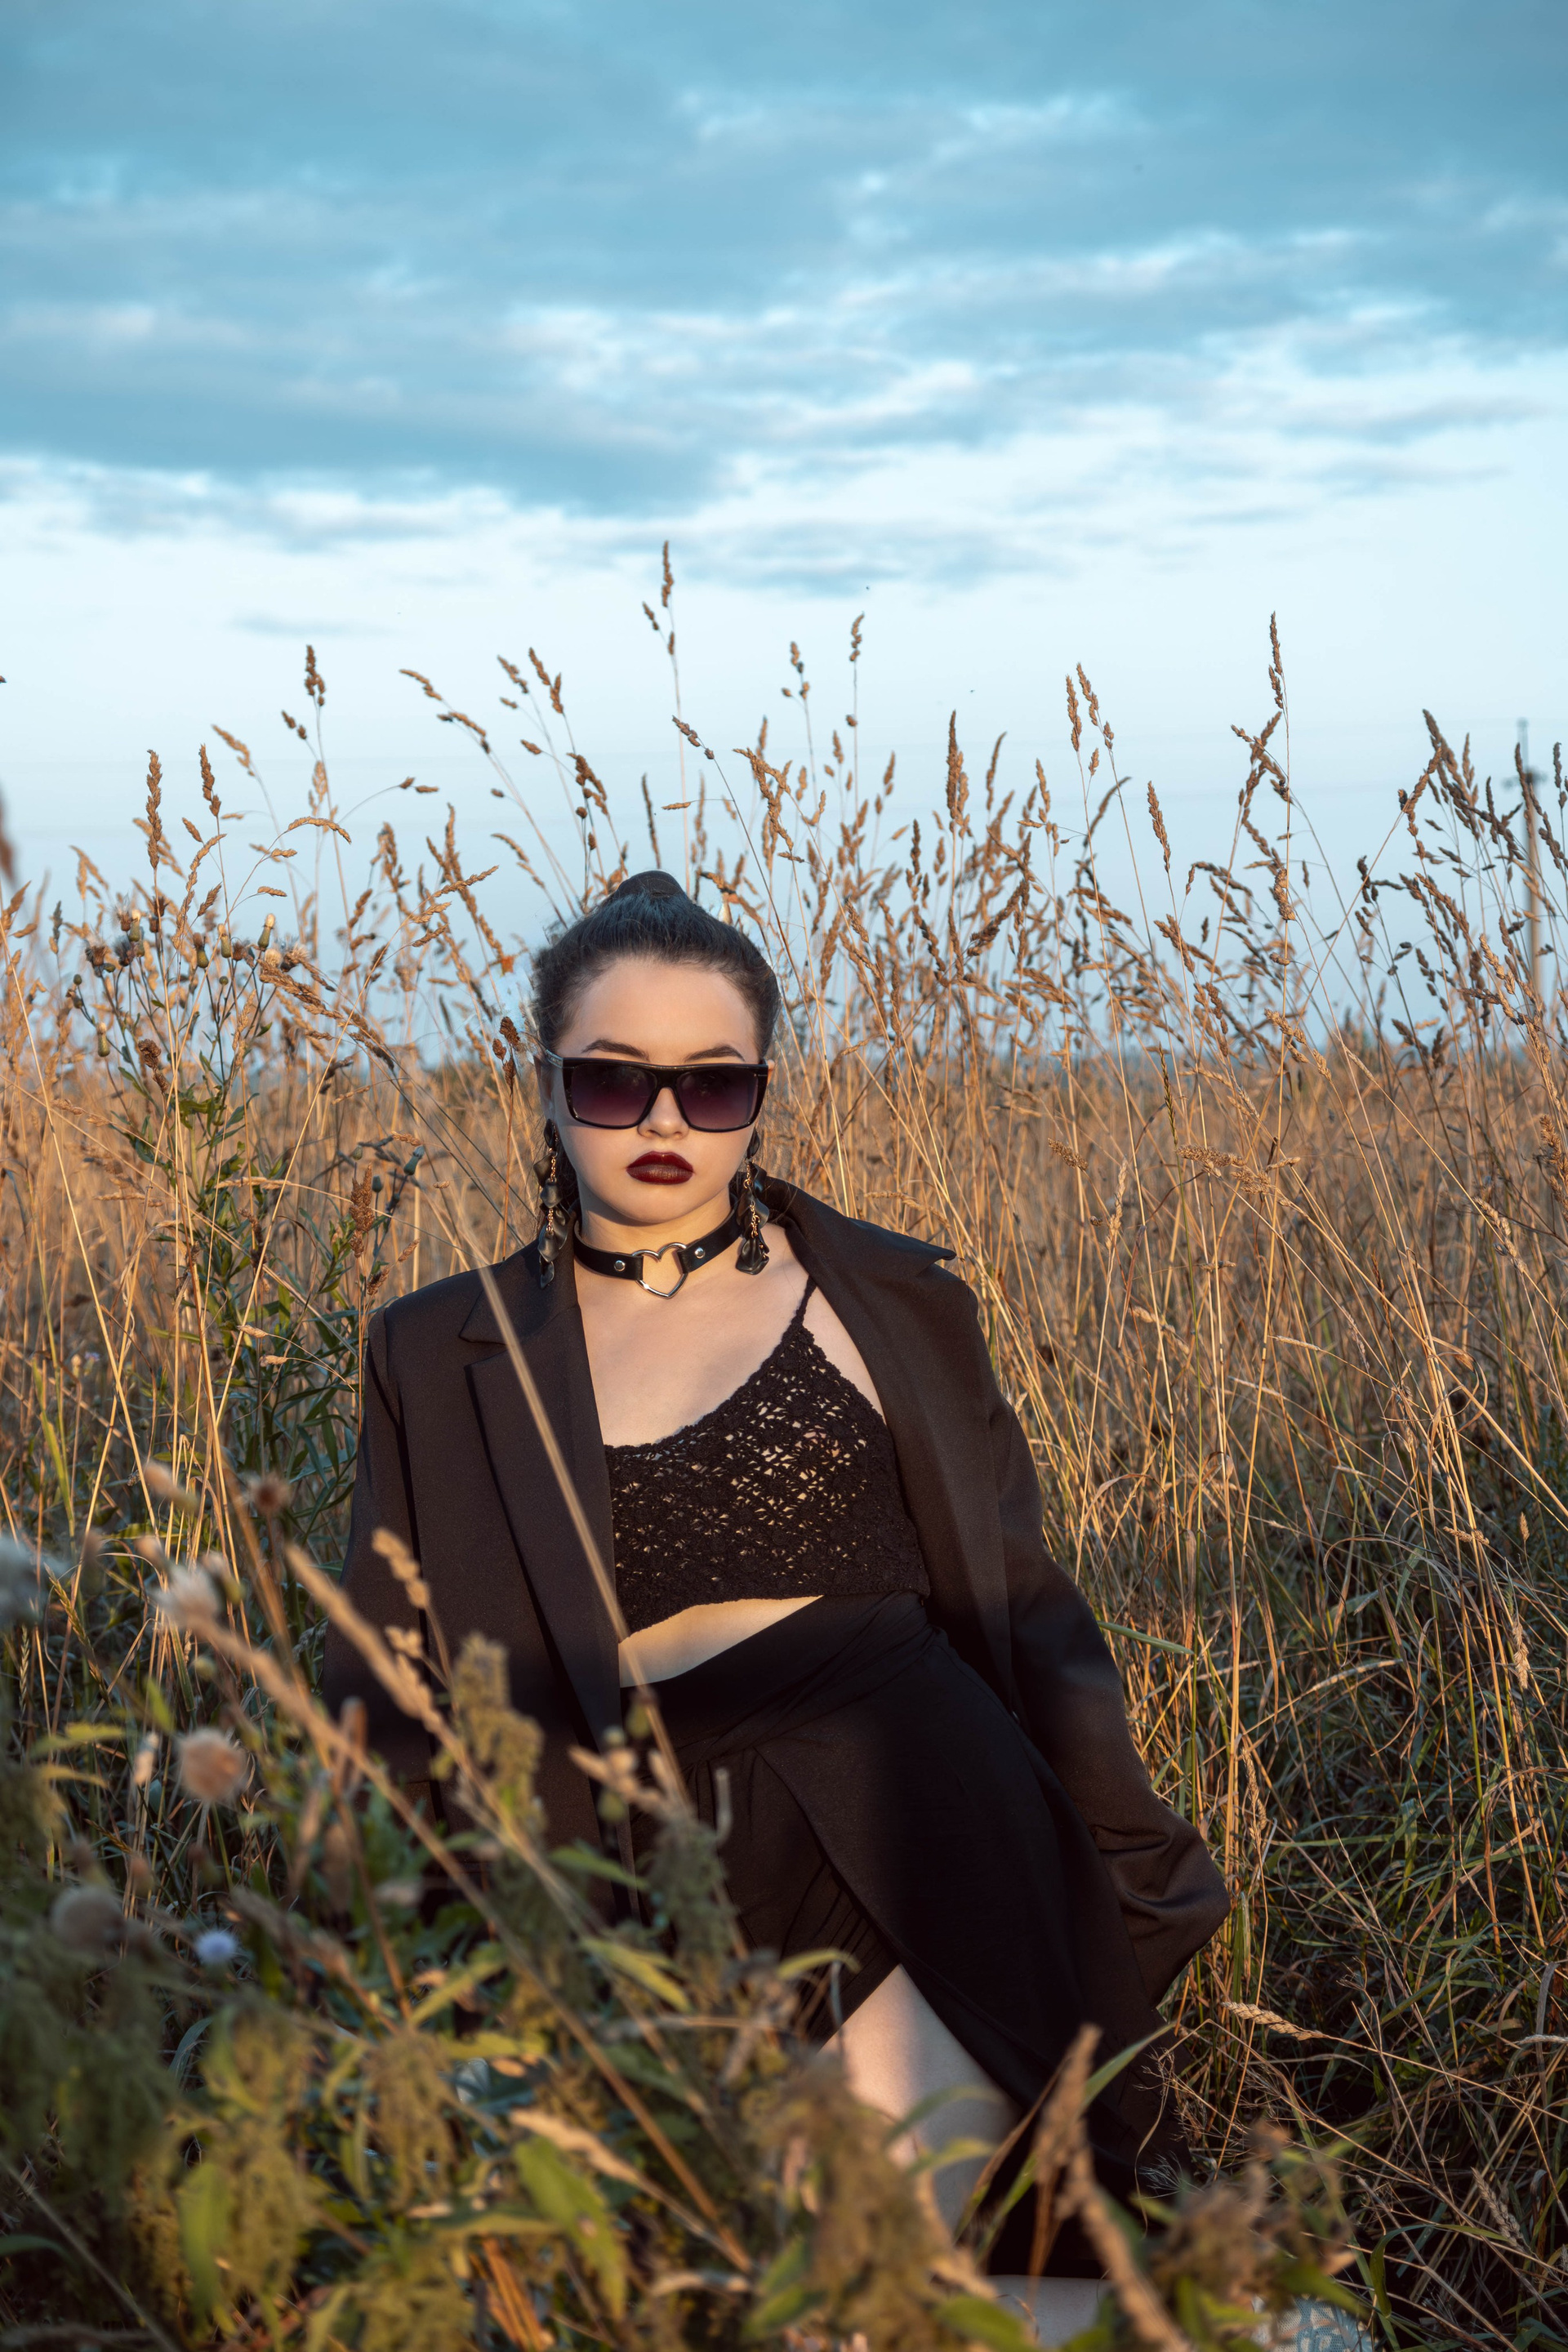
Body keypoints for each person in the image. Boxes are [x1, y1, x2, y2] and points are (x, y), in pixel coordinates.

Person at [326, 870, 1229, 2318]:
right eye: (613, 1081)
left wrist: (1130, 1864)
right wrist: (417, 1966)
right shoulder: (438, 1354)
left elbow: (1022, 1604)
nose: (666, 1122)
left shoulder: (892, 1300)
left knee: (856, 2286)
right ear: (544, 1086)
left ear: (762, 1094)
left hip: (915, 1812)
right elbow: (389, 1679)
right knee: (732, 2303)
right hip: (633, 1867)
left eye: (714, 1083)